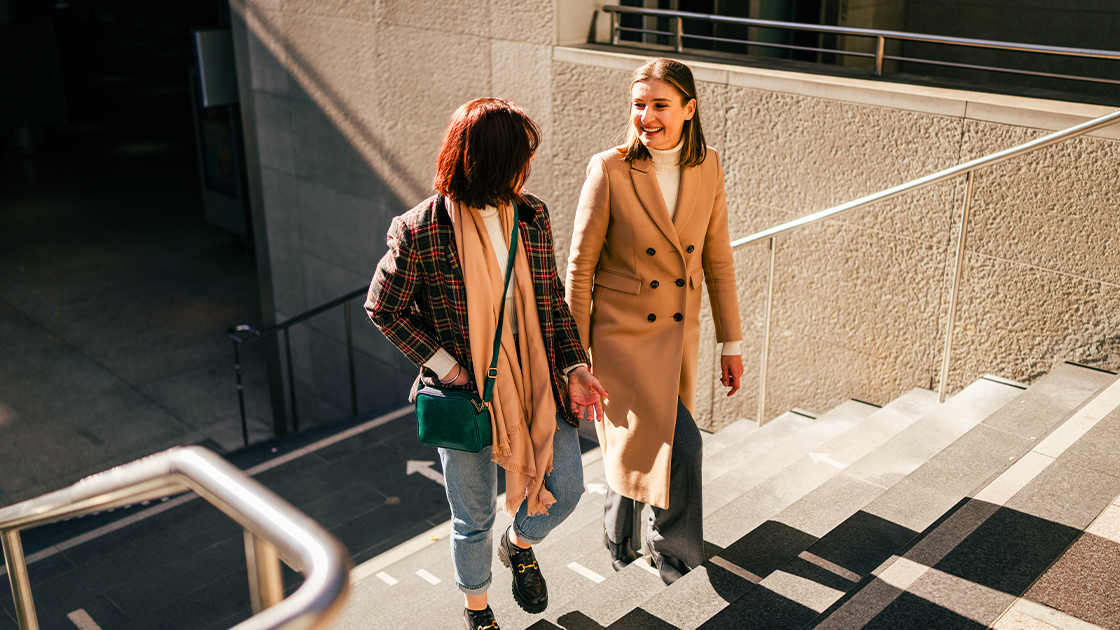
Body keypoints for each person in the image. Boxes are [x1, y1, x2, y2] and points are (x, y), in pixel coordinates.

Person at [366, 97, 608, 630]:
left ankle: (518, 544)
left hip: (536, 379)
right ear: (492, 160)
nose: (530, 165)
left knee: (567, 488)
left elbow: (550, 299)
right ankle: (479, 614)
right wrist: (445, 366)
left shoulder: (531, 213)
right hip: (466, 394)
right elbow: (382, 307)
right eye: (523, 155)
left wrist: (574, 367)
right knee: (471, 517)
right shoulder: (420, 229)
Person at [565, 58, 744, 585]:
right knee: (682, 446)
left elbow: (719, 258)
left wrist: (729, 342)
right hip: (621, 341)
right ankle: (672, 557)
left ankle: (617, 534)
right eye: (639, 105)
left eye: (660, 105)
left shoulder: (707, 164)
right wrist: (575, 360)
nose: (647, 115)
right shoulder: (611, 168)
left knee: (645, 444)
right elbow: (580, 269)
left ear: (689, 109)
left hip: (676, 337)